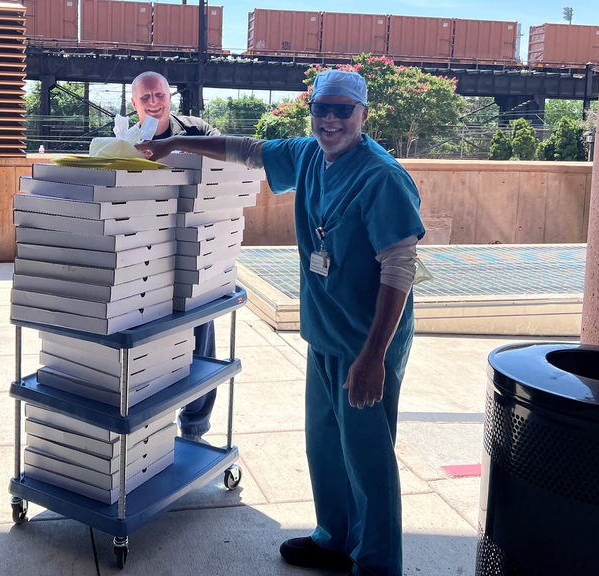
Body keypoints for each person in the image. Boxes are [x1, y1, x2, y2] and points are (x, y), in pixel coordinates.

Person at [135, 69, 424, 576]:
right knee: (324, 444)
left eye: (343, 109)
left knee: (368, 458)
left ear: (362, 114)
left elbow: (400, 268)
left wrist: (374, 356)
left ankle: (377, 565)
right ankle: (334, 540)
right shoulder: (310, 155)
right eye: (322, 109)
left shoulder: (382, 177)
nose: (331, 119)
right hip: (325, 333)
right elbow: (246, 150)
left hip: (366, 340)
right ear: (311, 110)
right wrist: (175, 141)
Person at [130, 71, 221, 443]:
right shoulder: (123, 140)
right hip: (142, 251)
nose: (153, 102)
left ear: (170, 96)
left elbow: (227, 159)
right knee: (149, 338)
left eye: (159, 94)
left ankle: (195, 426)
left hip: (195, 245)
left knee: (202, 333)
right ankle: (148, 427)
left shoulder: (198, 130)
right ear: (133, 103)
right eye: (145, 97)